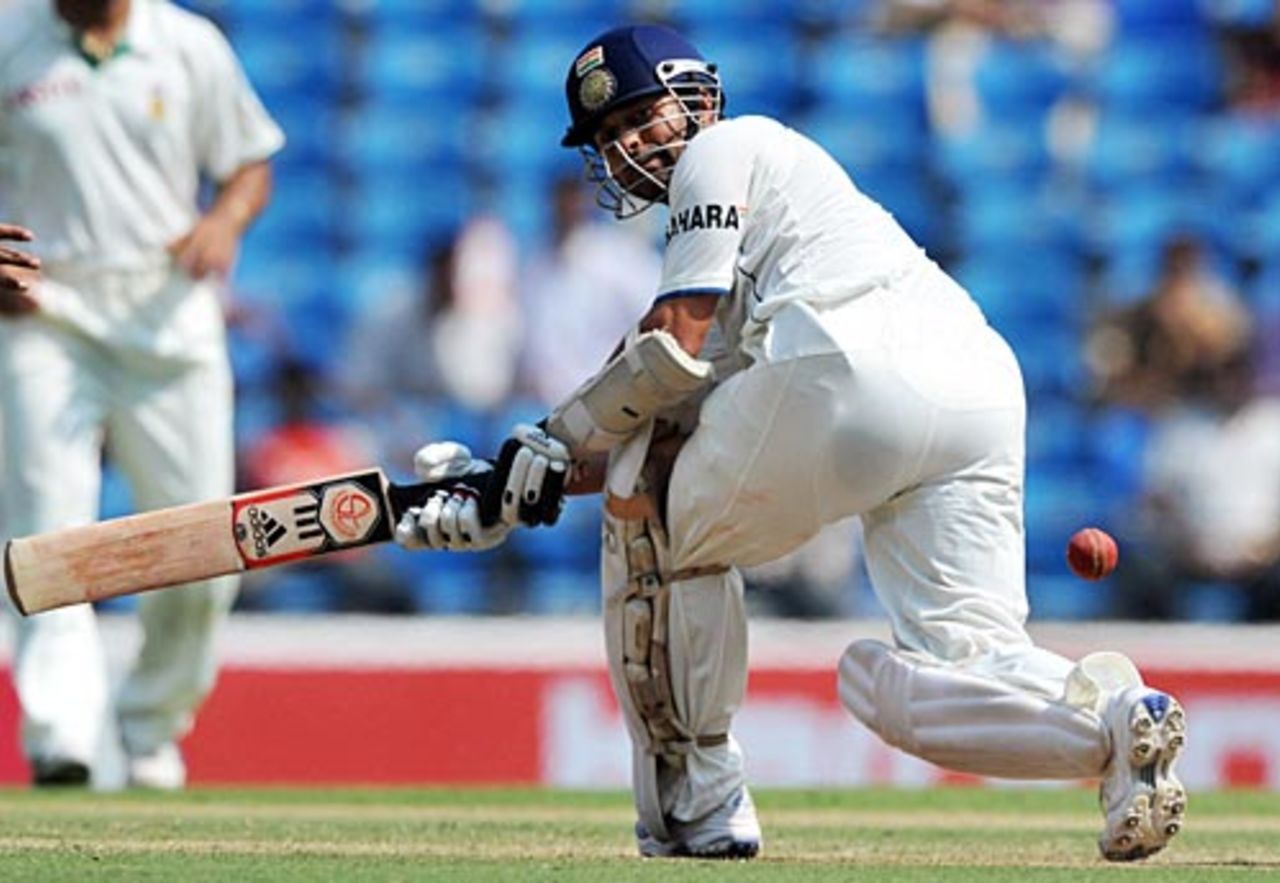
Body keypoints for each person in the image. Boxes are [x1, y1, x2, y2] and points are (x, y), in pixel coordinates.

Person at [393, 24, 1187, 862]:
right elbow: (676, 414)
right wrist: (513, 490)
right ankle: (1113, 723)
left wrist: (546, 439)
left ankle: (697, 803)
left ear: (696, 98)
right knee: (917, 677)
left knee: (654, 512)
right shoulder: (762, 235)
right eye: (607, 137)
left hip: (848, 369)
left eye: (638, 117)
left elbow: (668, 347)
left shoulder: (726, 147)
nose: (626, 146)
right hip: (976, 385)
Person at [0, 0, 283, 788]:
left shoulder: (186, 44)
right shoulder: (7, 36)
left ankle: (149, 727)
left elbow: (249, 162)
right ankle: (64, 739)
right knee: (45, 534)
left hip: (168, 315)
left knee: (203, 548)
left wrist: (224, 221)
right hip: (44, 315)